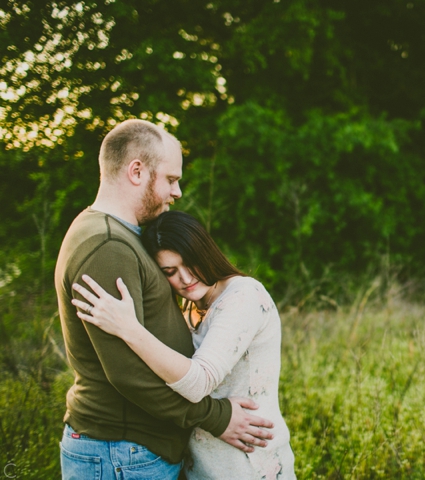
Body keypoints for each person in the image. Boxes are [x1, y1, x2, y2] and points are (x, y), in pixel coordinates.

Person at [54, 119, 273, 479]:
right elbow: (128, 375)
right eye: (171, 179)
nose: (178, 192)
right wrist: (217, 417)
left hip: (128, 451)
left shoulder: (116, 235)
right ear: (137, 171)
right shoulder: (107, 245)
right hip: (120, 452)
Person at [70, 211, 296, 479]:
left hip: (248, 463)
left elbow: (199, 382)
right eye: (170, 271)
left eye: (191, 263)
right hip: (199, 466)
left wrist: (129, 329)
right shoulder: (190, 306)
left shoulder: (243, 297)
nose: (186, 278)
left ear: (205, 251)